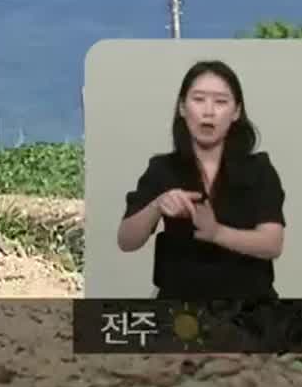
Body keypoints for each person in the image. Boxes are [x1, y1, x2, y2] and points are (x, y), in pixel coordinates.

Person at [116, 60, 285, 299]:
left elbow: (272, 244)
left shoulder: (259, 169)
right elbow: (126, 241)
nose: (208, 111)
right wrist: (157, 205)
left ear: (236, 112)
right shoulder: (163, 168)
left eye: (220, 102)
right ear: (183, 108)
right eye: (198, 99)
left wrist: (217, 233)